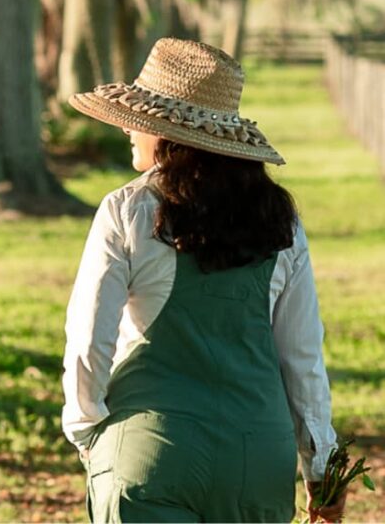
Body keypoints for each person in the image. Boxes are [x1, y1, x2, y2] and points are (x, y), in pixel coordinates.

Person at [62, 37, 346, 524]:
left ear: (168, 133)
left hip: (150, 455)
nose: (129, 128)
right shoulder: (281, 222)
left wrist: (88, 432)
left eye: (141, 119)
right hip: (258, 461)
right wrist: (320, 466)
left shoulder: (126, 210)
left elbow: (90, 342)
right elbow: (302, 357)